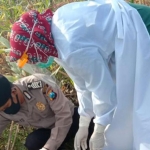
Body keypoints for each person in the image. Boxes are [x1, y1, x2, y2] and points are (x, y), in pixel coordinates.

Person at [8, 0, 150, 150]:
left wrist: (99, 129)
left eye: (27, 57)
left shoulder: (70, 46)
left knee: (142, 100)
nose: (33, 61)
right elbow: (82, 83)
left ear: (34, 44)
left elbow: (102, 89)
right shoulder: (55, 37)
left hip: (140, 27)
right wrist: (84, 120)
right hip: (124, 34)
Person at [0, 73, 94, 150]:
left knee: (92, 123)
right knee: (33, 142)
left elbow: (63, 114)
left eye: (6, 107)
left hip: (70, 119)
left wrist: (48, 147)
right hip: (48, 130)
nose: (5, 111)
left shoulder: (39, 84)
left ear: (13, 92)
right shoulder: (2, 109)